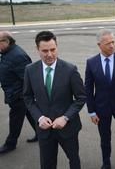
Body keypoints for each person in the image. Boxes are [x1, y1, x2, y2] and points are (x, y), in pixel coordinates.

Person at [23, 31, 86, 169]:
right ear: (37, 50)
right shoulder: (30, 70)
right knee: (47, 164)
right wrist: (39, 118)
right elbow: (27, 98)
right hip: (44, 130)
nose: (50, 54)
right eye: (45, 51)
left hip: (68, 128)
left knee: (74, 160)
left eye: (53, 49)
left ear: (57, 47)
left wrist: (65, 117)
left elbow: (81, 98)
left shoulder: (70, 70)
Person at [85, 29, 115, 169]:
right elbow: (88, 89)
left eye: (113, 42)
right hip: (101, 108)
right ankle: (106, 162)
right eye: (108, 43)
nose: (112, 46)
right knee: (105, 138)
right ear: (99, 45)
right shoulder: (91, 62)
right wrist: (91, 111)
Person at [0, 31, 37, 154]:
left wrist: (24, 96)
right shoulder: (7, 53)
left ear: (7, 41)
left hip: (19, 96)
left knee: (15, 120)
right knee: (31, 114)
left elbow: (28, 78)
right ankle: (41, 133)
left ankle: (10, 144)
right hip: (14, 93)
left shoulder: (17, 55)